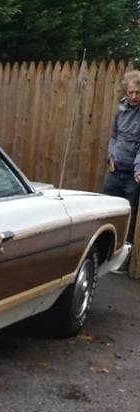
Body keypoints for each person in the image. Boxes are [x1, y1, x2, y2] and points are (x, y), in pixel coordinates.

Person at [103, 70, 140, 273]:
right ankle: (104, 253)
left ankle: (123, 261)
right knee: (106, 209)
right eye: (131, 92)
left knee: (129, 216)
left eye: (138, 93)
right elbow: (114, 136)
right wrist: (111, 156)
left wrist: (138, 167)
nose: (134, 96)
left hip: (132, 177)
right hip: (115, 170)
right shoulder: (121, 109)